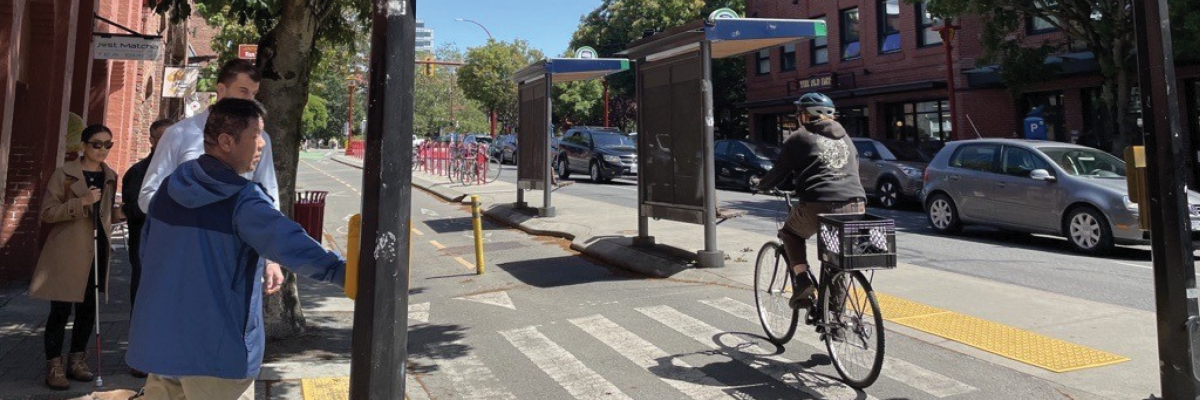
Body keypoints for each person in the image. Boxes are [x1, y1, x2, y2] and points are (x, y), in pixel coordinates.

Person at [126, 99, 345, 400]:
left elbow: (146, 254)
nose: (262, 145)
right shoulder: (242, 199)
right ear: (227, 142)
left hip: (163, 342)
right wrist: (345, 272)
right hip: (217, 351)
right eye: (256, 135)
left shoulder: (169, 188)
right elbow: (291, 245)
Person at [137, 59, 286, 293]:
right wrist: (189, 212)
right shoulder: (180, 134)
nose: (249, 100)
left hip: (237, 256)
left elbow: (269, 195)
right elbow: (147, 196)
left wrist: (271, 257)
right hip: (185, 255)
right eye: (243, 91)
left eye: (254, 94)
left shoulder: (260, 139)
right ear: (221, 90)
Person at [754, 92, 867, 309]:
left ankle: (802, 281)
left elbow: (779, 172)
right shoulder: (847, 139)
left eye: (799, 113)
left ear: (806, 116)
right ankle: (836, 317)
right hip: (856, 204)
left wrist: (760, 184)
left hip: (820, 203)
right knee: (835, 257)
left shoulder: (799, 137)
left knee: (790, 233)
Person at [29, 124, 118, 390]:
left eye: (108, 145)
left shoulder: (110, 176)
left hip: (96, 250)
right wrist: (82, 203)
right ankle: (54, 365)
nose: (102, 150)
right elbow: (47, 212)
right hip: (68, 252)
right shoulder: (64, 174)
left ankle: (77, 360)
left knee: (88, 311)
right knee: (60, 311)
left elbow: (106, 214)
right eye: (97, 144)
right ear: (83, 146)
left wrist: (120, 214)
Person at [119, 118, 172, 378]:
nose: (165, 142)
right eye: (160, 137)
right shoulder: (138, 172)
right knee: (142, 301)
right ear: (151, 140)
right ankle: (138, 357)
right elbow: (134, 210)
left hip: (174, 250)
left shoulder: (182, 170)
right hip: (145, 248)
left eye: (170, 136)